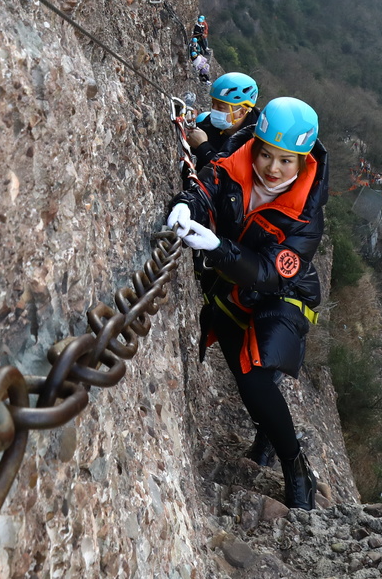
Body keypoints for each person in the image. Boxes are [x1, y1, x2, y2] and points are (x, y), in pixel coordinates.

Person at [166, 97, 326, 509]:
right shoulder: (234, 164)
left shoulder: (306, 216)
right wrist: (187, 203)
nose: (272, 168)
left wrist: (219, 248)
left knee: (255, 373)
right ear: (254, 144)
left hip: (286, 293)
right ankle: (266, 434)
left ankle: (296, 466)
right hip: (235, 286)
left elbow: (272, 273)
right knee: (244, 378)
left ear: (303, 161)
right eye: (265, 153)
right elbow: (208, 182)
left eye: (286, 161)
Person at [187, 71, 259, 170]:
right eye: (213, 104)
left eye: (220, 107)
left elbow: (229, 176)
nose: (214, 111)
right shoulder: (212, 124)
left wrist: (203, 147)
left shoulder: (252, 143)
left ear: (241, 112)